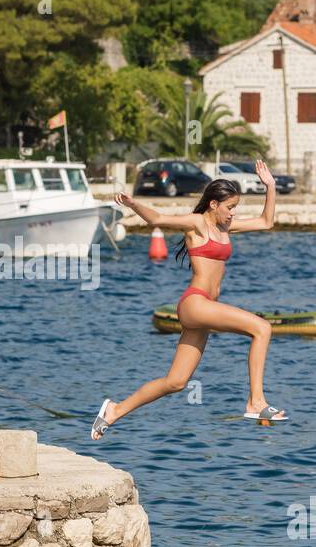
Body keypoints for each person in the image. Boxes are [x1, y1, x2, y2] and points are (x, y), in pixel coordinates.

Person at [91, 161, 285, 440]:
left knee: (176, 382)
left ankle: (113, 411)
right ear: (213, 204)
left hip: (203, 311)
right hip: (196, 303)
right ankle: (256, 402)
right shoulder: (197, 224)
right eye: (230, 207)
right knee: (262, 328)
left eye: (235, 208)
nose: (233, 214)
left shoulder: (225, 228)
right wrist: (134, 205)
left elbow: (267, 222)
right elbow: (157, 220)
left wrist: (271, 186)